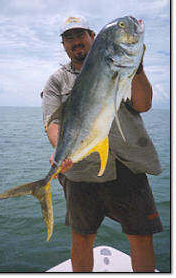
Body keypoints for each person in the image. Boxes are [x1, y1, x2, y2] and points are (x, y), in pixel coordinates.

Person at [42, 15, 163, 272]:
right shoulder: (56, 81)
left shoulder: (122, 64)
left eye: (80, 35)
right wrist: (60, 149)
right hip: (81, 172)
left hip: (126, 165)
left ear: (93, 37)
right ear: (63, 45)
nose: (75, 42)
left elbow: (143, 104)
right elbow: (53, 123)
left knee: (141, 236)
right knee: (82, 238)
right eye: (68, 37)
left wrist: (137, 68)